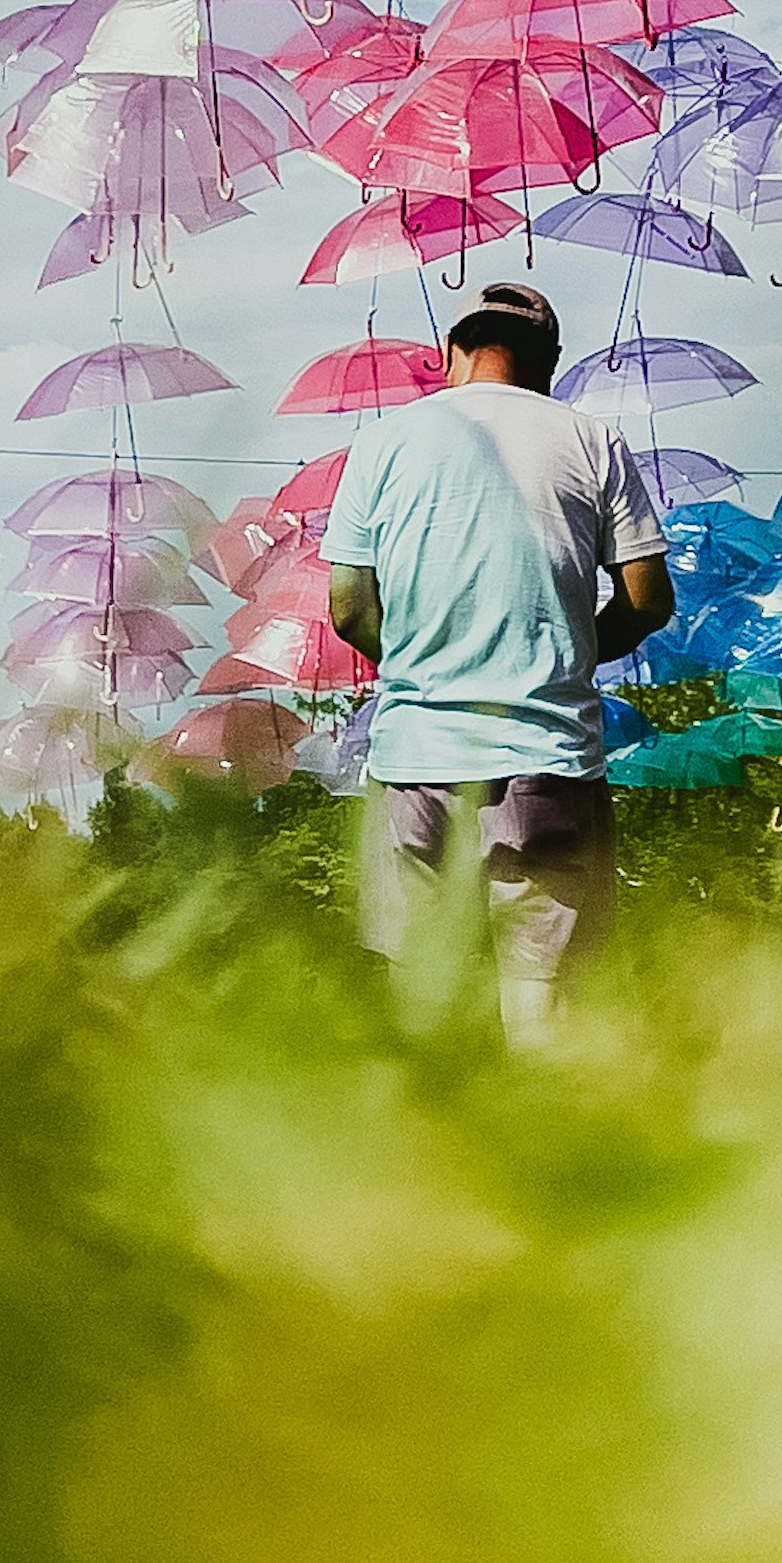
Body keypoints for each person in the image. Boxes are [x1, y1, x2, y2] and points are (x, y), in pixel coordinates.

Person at [325, 282, 674, 1038]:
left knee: (423, 994)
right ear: (548, 364)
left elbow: (349, 607)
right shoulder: (591, 438)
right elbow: (648, 601)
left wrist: (421, 662)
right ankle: (546, 1141)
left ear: (456, 352)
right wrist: (575, 654)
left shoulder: (385, 440)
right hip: (548, 757)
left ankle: (424, 1144)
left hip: (417, 753)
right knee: (540, 995)